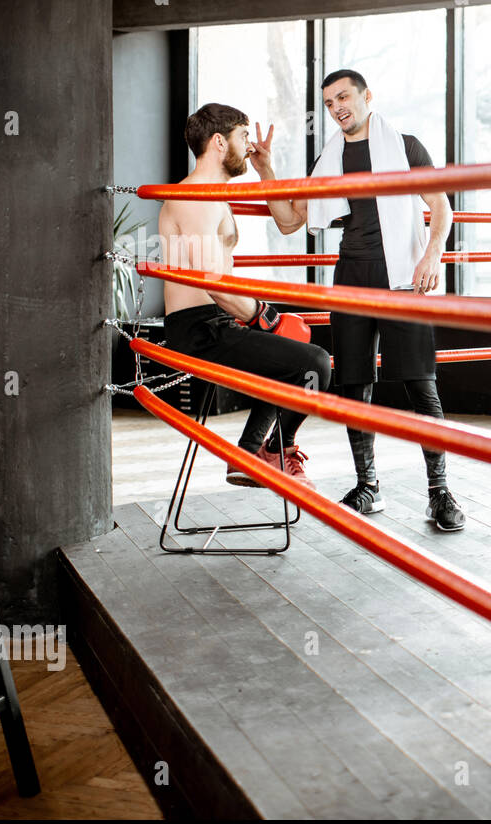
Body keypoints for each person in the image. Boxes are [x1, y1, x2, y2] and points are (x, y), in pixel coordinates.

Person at [251, 69, 465, 531]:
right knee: (354, 384)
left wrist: (432, 255)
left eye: (343, 97)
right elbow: (290, 222)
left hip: (403, 275)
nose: (337, 107)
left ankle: (440, 492)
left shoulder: (405, 147)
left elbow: (442, 206)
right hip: (351, 275)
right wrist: (266, 169)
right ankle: (368, 486)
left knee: (420, 383)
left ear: (367, 96)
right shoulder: (330, 159)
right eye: (329, 103)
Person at [159, 102, 332, 489]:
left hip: (214, 322)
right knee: (315, 364)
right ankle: (272, 452)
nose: (249, 145)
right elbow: (214, 283)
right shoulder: (195, 198)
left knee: (292, 351)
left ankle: (250, 452)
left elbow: (289, 223)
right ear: (220, 142)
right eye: (243, 137)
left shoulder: (212, 194)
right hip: (199, 330)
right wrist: (264, 316)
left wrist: (265, 169)